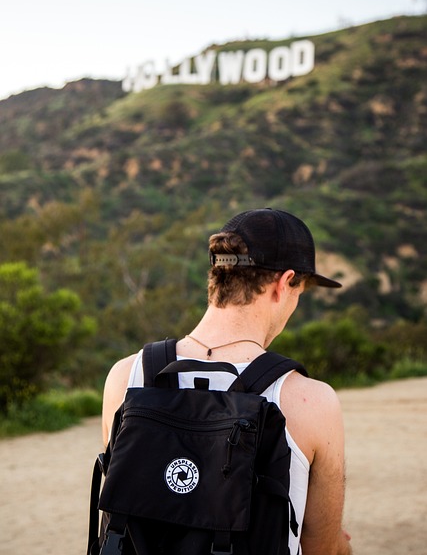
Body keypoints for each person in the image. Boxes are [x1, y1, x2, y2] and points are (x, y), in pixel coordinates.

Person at [102, 207, 352, 555]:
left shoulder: (127, 376)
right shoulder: (311, 400)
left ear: (217, 274)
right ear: (283, 284)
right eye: (300, 292)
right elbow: (320, 548)